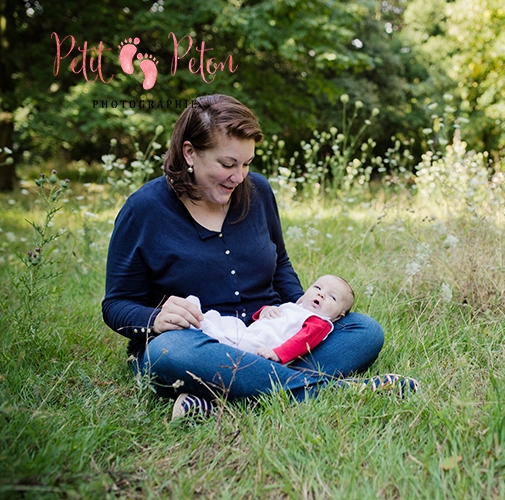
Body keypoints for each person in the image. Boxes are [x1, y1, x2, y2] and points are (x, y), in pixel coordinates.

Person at [102, 94, 415, 420]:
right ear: (190, 152)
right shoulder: (144, 210)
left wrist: (299, 314)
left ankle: (226, 393)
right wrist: (153, 320)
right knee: (169, 352)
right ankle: (331, 391)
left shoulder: (258, 191)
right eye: (227, 164)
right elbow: (116, 305)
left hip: (273, 337)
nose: (239, 177)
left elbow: (279, 262)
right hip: (199, 343)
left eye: (246, 164)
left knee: (363, 330)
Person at [188, 274, 354, 364]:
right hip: (251, 331)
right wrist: (265, 311)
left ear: (339, 316)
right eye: (317, 287)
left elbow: (302, 342)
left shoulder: (319, 322)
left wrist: (277, 354)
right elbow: (273, 318)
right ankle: (203, 318)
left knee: (239, 343)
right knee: (232, 322)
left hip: (264, 348)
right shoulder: (297, 307)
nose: (321, 294)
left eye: (332, 297)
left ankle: (206, 329)